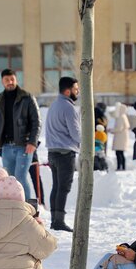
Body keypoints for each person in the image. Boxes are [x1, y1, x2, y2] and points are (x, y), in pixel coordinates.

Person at [0, 68, 41, 199]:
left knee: (20, 178)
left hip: (24, 146)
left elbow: (37, 122)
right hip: (6, 147)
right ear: (2, 82)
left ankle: (28, 209)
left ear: (16, 79)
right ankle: (14, 209)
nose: (10, 82)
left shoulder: (27, 98)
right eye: (7, 80)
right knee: (10, 180)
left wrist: (32, 142)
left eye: (12, 79)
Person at [45, 76, 81, 232]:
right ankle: (58, 221)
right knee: (63, 188)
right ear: (68, 91)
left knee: (56, 186)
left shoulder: (54, 105)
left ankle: (55, 220)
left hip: (52, 152)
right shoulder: (68, 107)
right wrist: (88, 140)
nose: (77, 91)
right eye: (75, 89)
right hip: (65, 153)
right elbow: (76, 134)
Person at [111, 102, 130, 171]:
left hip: (120, 138)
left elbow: (119, 128)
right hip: (121, 138)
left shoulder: (120, 117)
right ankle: (122, 167)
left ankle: (120, 167)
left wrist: (111, 130)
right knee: (120, 153)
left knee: (119, 153)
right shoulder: (124, 116)